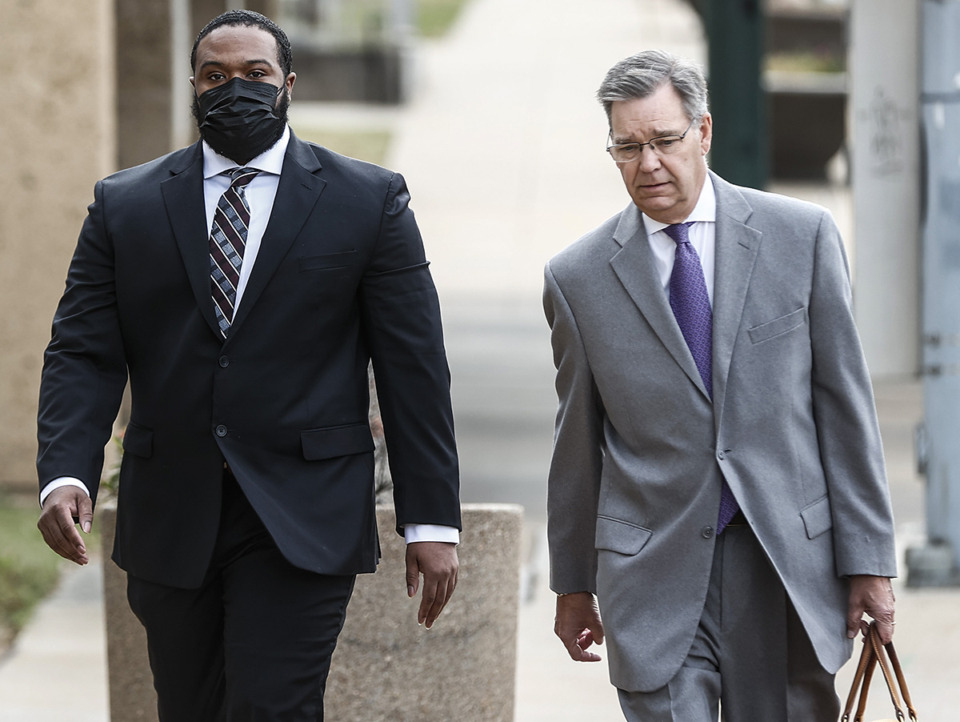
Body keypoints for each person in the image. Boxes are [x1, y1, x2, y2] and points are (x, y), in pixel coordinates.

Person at [36, 10, 461, 720]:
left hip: (304, 513)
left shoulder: (368, 200)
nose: (234, 88)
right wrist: (65, 470)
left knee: (274, 707)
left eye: (255, 75)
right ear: (193, 88)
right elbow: (83, 350)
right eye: (215, 76)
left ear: (288, 85)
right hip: (172, 510)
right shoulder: (124, 205)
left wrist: (431, 521)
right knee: (190, 707)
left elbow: (412, 367)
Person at [543, 49, 897, 720]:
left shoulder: (803, 237)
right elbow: (576, 445)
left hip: (786, 565)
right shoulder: (577, 278)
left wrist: (870, 562)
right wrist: (572, 585)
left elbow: (845, 412)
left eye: (665, 141)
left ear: (702, 132)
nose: (648, 164)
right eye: (627, 147)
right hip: (654, 574)